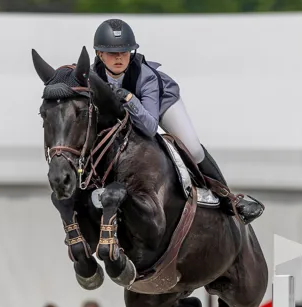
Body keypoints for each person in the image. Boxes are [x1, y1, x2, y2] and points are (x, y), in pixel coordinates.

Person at [90, 18, 264, 224]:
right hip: (130, 109)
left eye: (124, 52)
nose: (119, 58)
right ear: (100, 54)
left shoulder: (146, 77)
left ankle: (230, 200)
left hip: (161, 104)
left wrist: (129, 99)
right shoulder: (93, 78)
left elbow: (149, 127)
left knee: (193, 148)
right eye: (112, 53)